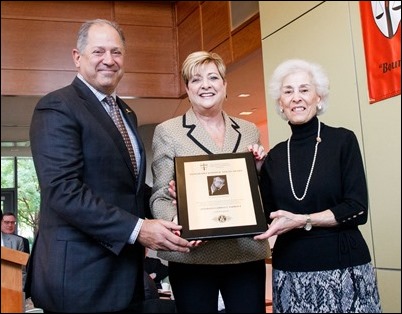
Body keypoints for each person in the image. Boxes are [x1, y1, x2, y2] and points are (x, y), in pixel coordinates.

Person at [26, 18, 192, 313]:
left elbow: (128, 188)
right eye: (98, 51)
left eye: (116, 52)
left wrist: (176, 198)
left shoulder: (125, 111)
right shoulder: (57, 106)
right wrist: (138, 229)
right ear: (77, 58)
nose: (109, 60)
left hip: (124, 275)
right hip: (79, 278)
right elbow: (63, 191)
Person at [254, 59, 382, 313]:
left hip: (344, 269)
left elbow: (357, 208)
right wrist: (258, 173)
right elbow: (267, 216)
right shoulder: (275, 156)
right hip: (290, 273)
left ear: (319, 97)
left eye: (304, 89)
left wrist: (302, 220)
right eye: (288, 91)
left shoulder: (343, 141)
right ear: (280, 103)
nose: (296, 98)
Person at [150, 51, 270, 313]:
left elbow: (258, 190)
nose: (206, 85)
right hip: (193, 256)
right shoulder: (168, 131)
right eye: (196, 79)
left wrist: (260, 169)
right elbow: (159, 196)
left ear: (225, 85)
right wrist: (178, 225)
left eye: (213, 77)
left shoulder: (248, 129)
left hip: (245, 251)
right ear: (187, 88)